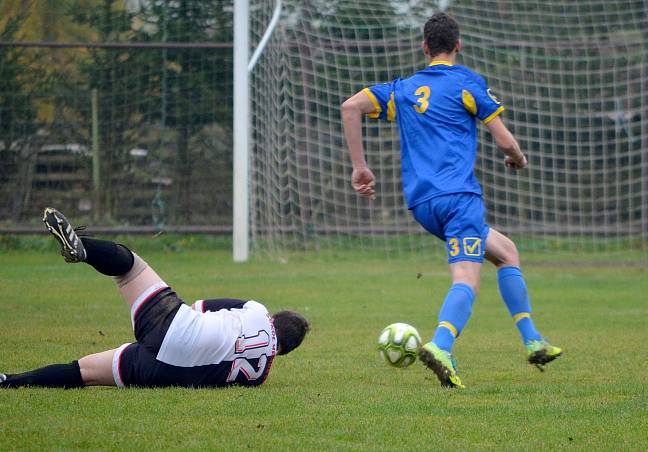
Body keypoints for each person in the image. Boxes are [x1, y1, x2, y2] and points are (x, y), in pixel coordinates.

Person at [341, 12, 561, 388]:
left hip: (423, 206)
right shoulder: (467, 83)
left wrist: (360, 168)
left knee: (506, 251)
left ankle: (532, 340)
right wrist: (518, 159)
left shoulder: (403, 89)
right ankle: (441, 345)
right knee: (467, 280)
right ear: (458, 46)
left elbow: (350, 106)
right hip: (459, 199)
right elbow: (505, 141)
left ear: (425, 48)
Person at [0, 208, 309, 389]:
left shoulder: (258, 310)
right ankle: (7, 382)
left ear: (275, 319)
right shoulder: (260, 376)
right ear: (283, 352)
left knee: (131, 267)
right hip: (164, 371)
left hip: (176, 328)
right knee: (82, 371)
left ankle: (83, 247)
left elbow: (199, 307)